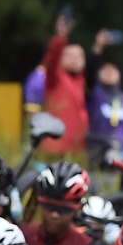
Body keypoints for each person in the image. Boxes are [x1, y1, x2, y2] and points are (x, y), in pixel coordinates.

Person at [22, 161, 101, 245]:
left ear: (79, 208)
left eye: (63, 210)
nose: (54, 215)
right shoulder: (22, 236)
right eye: (48, 207)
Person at [41, 13, 89, 152]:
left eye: (79, 56)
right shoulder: (55, 78)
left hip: (76, 148)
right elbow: (52, 58)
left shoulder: (81, 81)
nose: (75, 59)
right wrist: (61, 37)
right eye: (69, 55)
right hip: (56, 147)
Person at [88, 59, 123, 158]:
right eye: (105, 69)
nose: (109, 72)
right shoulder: (94, 94)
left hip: (122, 152)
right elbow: (89, 73)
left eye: (113, 69)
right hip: (95, 151)